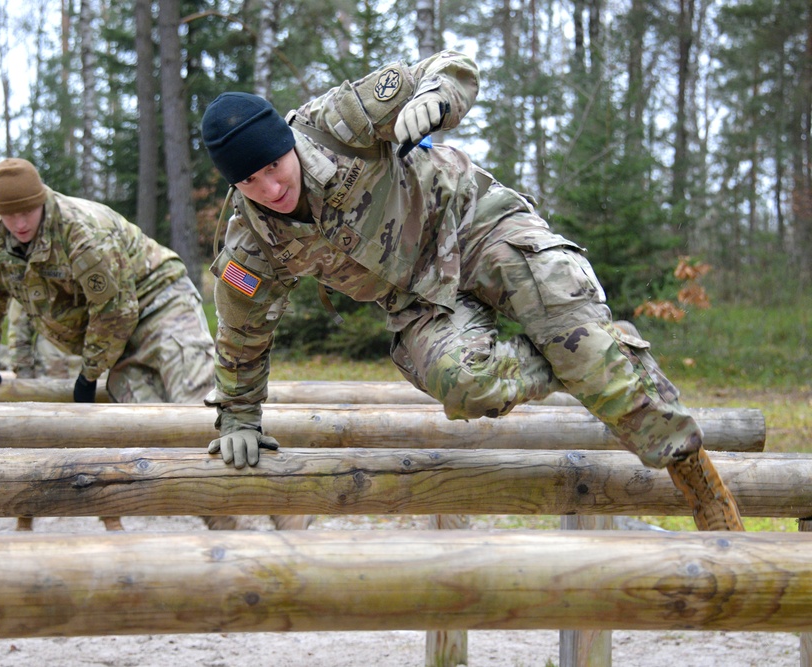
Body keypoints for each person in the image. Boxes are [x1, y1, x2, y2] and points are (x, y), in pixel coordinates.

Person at [199, 50, 744, 532]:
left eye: (274, 166)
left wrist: (437, 98)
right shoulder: (252, 242)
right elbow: (242, 331)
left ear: (288, 144)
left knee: (564, 315)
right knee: (469, 383)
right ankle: (588, 349)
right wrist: (239, 416)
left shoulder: (340, 122)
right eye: (250, 181)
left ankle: (692, 472)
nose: (271, 188)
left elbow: (450, 68)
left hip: (475, 224)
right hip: (415, 299)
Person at [0, 157, 255, 532]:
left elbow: (116, 308)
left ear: (42, 199)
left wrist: (90, 372)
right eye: (9, 215)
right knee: (152, 427)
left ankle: (283, 505)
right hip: (114, 335)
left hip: (159, 301)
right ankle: (225, 521)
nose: (20, 223)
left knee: (199, 402)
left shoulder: (81, 231)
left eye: (27, 211)